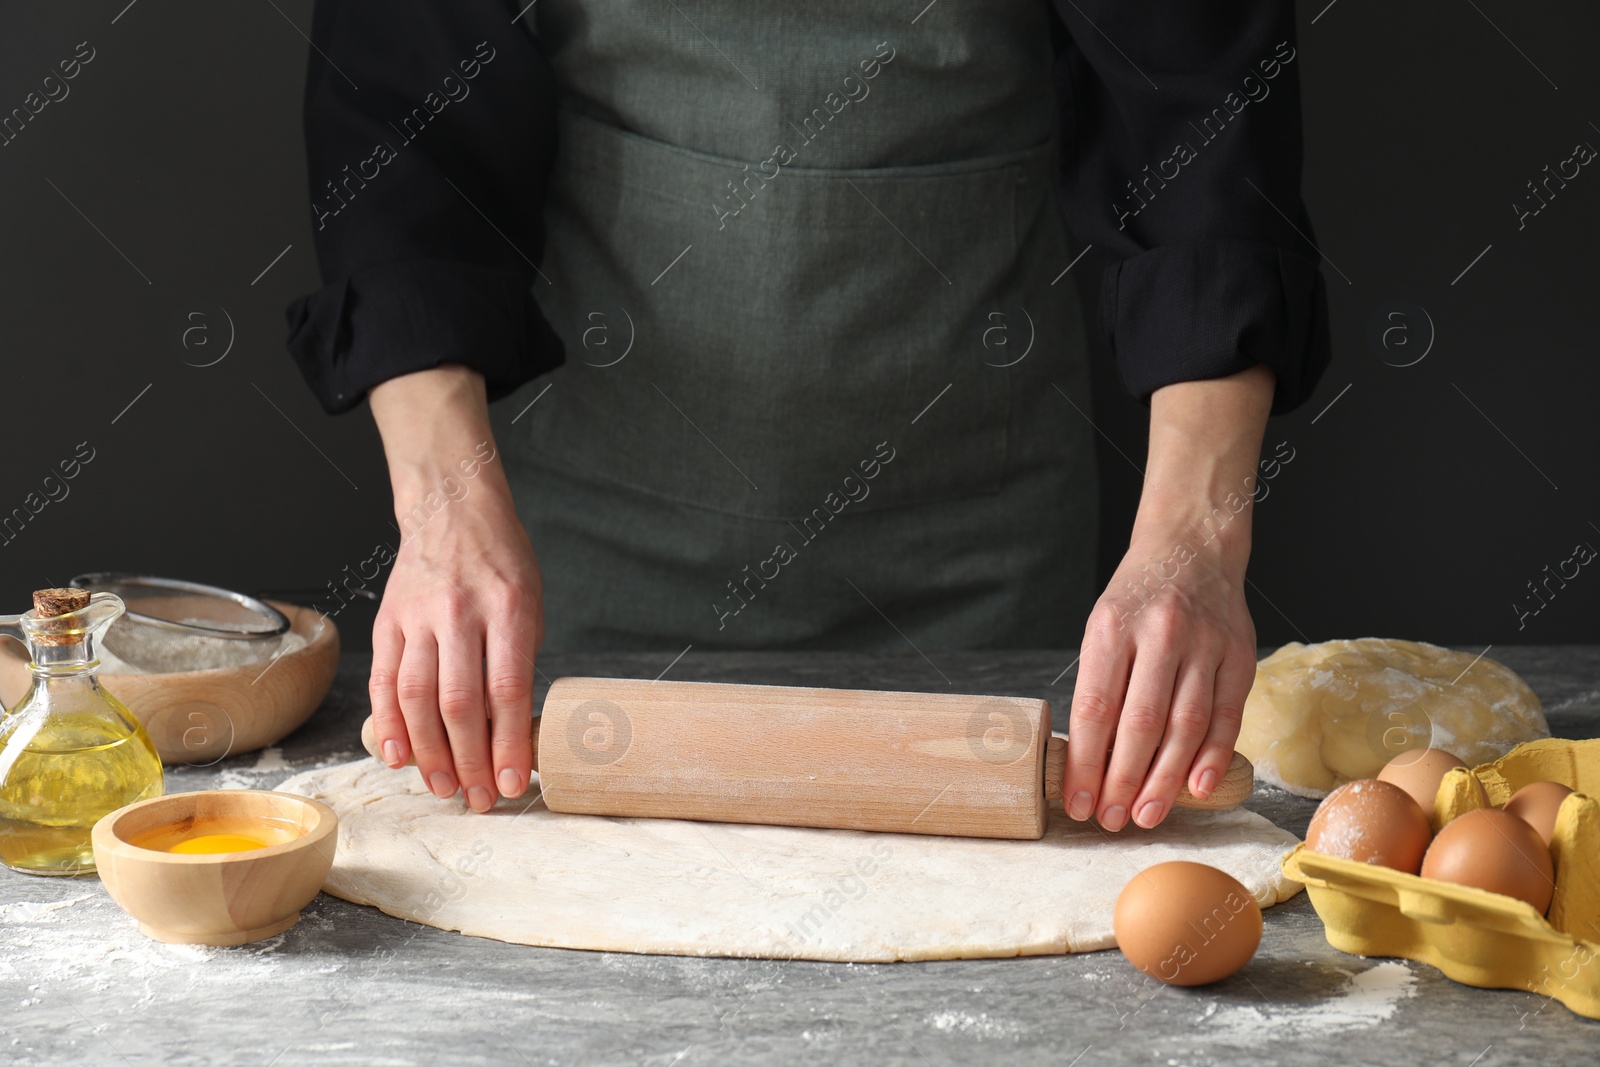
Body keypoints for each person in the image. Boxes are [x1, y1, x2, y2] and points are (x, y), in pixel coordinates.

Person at [286, 1, 1330, 829]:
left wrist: (1192, 543)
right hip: (588, 564)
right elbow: (402, 134)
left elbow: (1202, 128)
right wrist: (442, 512)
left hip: (978, 562)